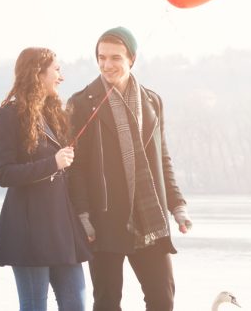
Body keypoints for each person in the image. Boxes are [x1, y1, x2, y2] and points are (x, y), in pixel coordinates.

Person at [67, 27, 191, 311]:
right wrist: (83, 215)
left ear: (131, 59)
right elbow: (76, 168)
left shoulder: (152, 101)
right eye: (101, 57)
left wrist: (177, 205)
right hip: (103, 221)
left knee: (163, 299)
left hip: (149, 218)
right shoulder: (81, 103)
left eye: (115, 58)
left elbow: (162, 158)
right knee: (107, 302)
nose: (107, 65)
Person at [0, 47, 92, 311]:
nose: (61, 76)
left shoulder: (54, 114)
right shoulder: (8, 115)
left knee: (77, 305)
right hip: (29, 232)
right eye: (56, 70)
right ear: (38, 73)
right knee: (34, 306)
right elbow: (3, 174)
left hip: (62, 229)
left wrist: (84, 216)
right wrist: (52, 164)